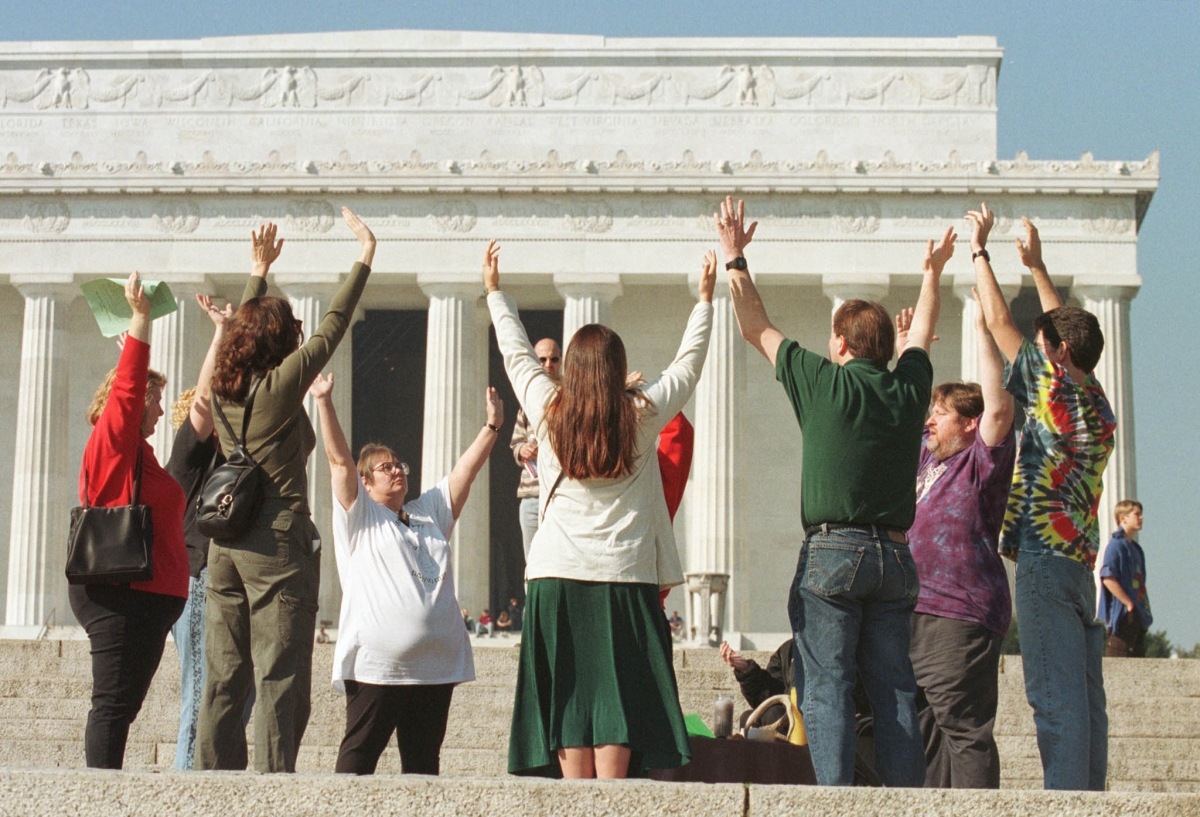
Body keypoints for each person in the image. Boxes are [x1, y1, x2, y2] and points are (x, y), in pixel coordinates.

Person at [722, 194, 951, 787]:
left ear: (843, 345)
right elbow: (922, 333)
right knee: (896, 690)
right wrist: (933, 274)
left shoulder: (822, 382)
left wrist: (736, 259)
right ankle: (905, 802)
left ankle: (833, 802)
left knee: (825, 686)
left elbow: (755, 326)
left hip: (833, 553)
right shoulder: (908, 392)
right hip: (897, 557)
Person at [485, 239, 714, 779]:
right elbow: (689, 365)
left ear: (573, 368)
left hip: (556, 578)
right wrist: (705, 301)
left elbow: (515, 354)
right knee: (618, 706)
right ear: (617, 370)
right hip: (623, 576)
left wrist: (496, 294)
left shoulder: (546, 409)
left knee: (569, 704)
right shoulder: (641, 415)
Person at [196, 211, 376, 773]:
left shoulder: (224, 389)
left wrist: (257, 273)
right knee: (279, 676)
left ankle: (210, 790)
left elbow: (238, 337)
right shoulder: (280, 386)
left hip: (223, 544)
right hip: (275, 544)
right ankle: (273, 790)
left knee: (223, 679)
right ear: (281, 340)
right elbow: (334, 324)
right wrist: (364, 256)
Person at [970, 204, 1114, 790]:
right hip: (1080, 566)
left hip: (1045, 565)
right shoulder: (1098, 406)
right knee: (1086, 700)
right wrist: (1037, 264)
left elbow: (1000, 319)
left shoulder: (1050, 393)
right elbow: (1065, 329)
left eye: (1042, 343)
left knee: (1054, 698)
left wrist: (980, 252)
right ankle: (1091, 796)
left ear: (1053, 355)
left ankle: (1068, 802)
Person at [311, 374, 501, 776]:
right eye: (385, 467)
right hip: (378, 666)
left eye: (399, 464)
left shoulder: (426, 512)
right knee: (358, 760)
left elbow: (463, 474)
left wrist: (492, 428)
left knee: (422, 767)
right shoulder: (360, 516)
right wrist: (325, 403)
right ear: (366, 482)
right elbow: (339, 462)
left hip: (434, 669)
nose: (397, 470)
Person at [71, 272, 190, 769]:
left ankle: (105, 785)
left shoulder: (141, 455)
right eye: (155, 400)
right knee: (114, 706)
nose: (162, 411)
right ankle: (99, 794)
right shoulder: (113, 445)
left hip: (147, 598)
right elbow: (124, 394)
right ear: (136, 400)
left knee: (123, 707)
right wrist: (141, 323)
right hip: (122, 592)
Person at [906, 300, 1017, 789]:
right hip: (916, 607)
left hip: (961, 610)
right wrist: (907, 347)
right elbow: (897, 414)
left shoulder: (980, 462)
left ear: (969, 424)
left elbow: (1000, 406)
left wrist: (982, 331)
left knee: (963, 726)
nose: (929, 422)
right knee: (926, 730)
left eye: (940, 414)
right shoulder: (926, 463)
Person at [163, 292, 241, 770]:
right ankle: (188, 784)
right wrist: (221, 332)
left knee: (228, 694)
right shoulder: (189, 456)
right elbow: (207, 401)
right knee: (201, 690)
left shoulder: (230, 456)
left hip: (226, 581)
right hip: (197, 581)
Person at [510, 339, 561, 558]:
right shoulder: (527, 402)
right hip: (531, 495)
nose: (548, 364)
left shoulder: (572, 398)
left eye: (554, 359)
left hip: (561, 494)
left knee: (560, 559)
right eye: (542, 359)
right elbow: (515, 443)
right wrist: (522, 451)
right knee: (532, 562)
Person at [1099, 500, 1151, 658]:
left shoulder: (1136, 549)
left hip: (1138, 614)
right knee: (1118, 661)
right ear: (1123, 518)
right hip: (1123, 615)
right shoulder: (1116, 545)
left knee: (1138, 663)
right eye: (1136, 514)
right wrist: (1128, 603)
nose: (1141, 517)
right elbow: (1107, 577)